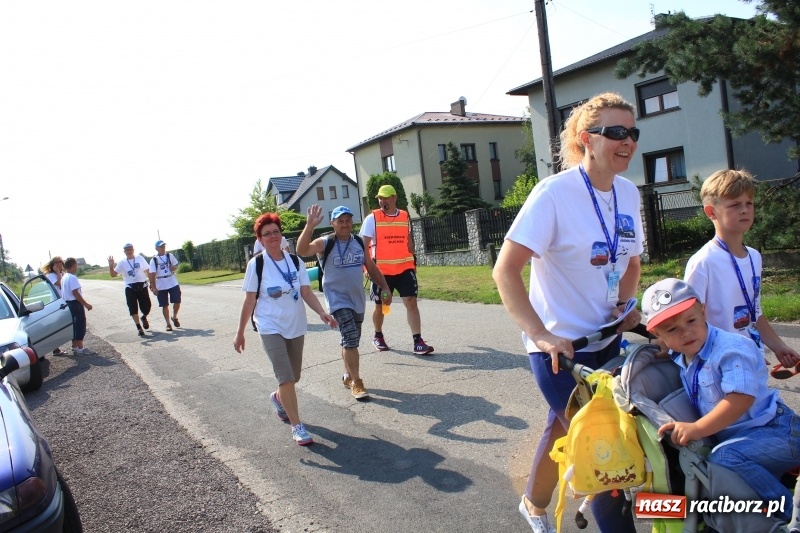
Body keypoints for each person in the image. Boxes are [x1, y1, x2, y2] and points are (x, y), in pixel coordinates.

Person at [493, 92, 643, 533]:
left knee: (561, 432)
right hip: (560, 352)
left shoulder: (629, 193)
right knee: (606, 452)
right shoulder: (553, 194)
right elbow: (506, 270)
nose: (627, 141)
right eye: (615, 132)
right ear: (586, 139)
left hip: (609, 342)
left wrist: (625, 306)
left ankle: (533, 505)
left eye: (632, 132)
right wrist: (539, 334)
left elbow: (631, 261)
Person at [643, 278, 799, 524]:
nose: (685, 332)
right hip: (747, 438)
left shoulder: (731, 349)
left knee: (724, 459)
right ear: (657, 334)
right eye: (672, 330)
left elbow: (741, 399)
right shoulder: (683, 352)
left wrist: (697, 428)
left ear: (703, 311)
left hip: (778, 431)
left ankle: (791, 518)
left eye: (691, 321)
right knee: (719, 463)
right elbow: (671, 345)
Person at [233, 212, 337, 446]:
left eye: (275, 232)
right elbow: (249, 301)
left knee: (294, 375)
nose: (272, 237)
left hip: (295, 324)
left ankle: (278, 398)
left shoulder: (295, 262)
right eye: (266, 234)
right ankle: (297, 426)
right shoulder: (257, 265)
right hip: (269, 326)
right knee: (285, 377)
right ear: (259, 239)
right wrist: (239, 332)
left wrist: (321, 312)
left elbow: (306, 292)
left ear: (281, 235)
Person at [684, 169, 800, 375]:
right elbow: (690, 322)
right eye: (735, 205)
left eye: (749, 203)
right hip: (718, 365)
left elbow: (755, 312)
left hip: (748, 359)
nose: (745, 210)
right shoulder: (703, 262)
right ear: (711, 212)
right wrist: (735, 353)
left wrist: (778, 347)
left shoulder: (754, 256)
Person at [296, 205, 392, 400]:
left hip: (357, 299)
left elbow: (370, 267)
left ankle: (348, 375)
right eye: (340, 221)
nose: (345, 224)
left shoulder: (357, 241)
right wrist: (309, 226)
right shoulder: (325, 243)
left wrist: (385, 287)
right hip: (337, 301)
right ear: (333, 223)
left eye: (348, 220)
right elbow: (302, 250)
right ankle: (357, 382)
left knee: (351, 340)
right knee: (349, 338)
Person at [359, 184, 433, 355]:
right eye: (379, 198)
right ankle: (378, 335)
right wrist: (367, 267)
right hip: (381, 272)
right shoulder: (372, 218)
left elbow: (409, 242)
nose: (382, 201)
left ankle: (418, 341)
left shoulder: (405, 216)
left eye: (385, 197)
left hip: (404, 268)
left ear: (394, 198)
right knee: (381, 306)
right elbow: (363, 246)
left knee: (411, 302)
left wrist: (413, 264)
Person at [108, 243, 152, 337]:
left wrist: (151, 282)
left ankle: (144, 317)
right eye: (127, 250)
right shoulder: (122, 262)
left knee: (147, 306)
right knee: (133, 308)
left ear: (133, 250)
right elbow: (113, 275)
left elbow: (147, 270)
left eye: (130, 249)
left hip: (142, 285)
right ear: (124, 252)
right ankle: (139, 327)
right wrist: (111, 266)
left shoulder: (140, 258)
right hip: (130, 287)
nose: (129, 251)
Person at [62, 257, 95, 355]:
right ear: (73, 265)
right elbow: (75, 292)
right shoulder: (72, 277)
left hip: (68, 304)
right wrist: (86, 304)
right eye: (76, 265)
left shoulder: (65, 276)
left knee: (74, 325)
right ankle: (81, 348)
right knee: (80, 325)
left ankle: (75, 346)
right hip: (75, 303)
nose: (77, 267)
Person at [148, 240, 181, 331]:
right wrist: (153, 287)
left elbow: (176, 264)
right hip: (161, 283)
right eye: (161, 246)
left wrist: (174, 267)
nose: (163, 248)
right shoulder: (154, 260)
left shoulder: (170, 256)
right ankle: (168, 324)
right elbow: (152, 274)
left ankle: (174, 317)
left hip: (172, 281)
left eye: (163, 246)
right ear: (156, 248)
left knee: (177, 300)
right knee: (164, 304)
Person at [41, 256, 67, 355]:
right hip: (57, 303)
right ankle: (56, 348)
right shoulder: (51, 275)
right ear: (52, 265)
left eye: (60, 262)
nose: (58, 264)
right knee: (57, 325)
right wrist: (57, 273)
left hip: (65, 301)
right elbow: (60, 283)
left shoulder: (63, 274)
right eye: (56, 263)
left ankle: (75, 345)